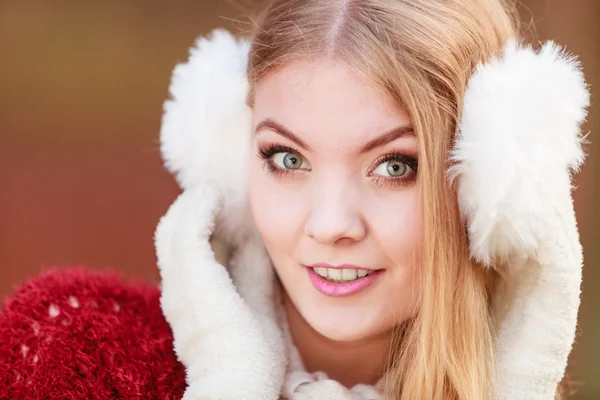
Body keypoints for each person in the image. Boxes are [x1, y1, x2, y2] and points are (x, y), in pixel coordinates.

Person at [0, 1, 589, 399]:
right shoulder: (65, 354)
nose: (331, 225)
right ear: (231, 156)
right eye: (287, 159)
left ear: (489, 183)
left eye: (394, 165)